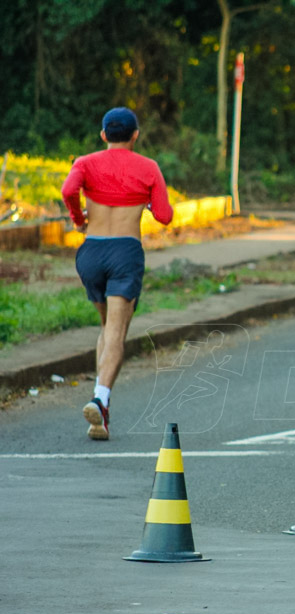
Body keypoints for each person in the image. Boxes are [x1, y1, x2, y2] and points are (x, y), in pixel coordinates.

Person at [61, 107, 174, 440]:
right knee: (116, 333)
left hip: (91, 253)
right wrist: (150, 203)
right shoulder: (148, 167)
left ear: (103, 135)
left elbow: (69, 191)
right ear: (135, 135)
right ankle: (101, 397)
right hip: (125, 251)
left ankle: (101, 416)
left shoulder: (84, 163)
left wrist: (78, 220)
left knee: (106, 328)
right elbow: (165, 216)